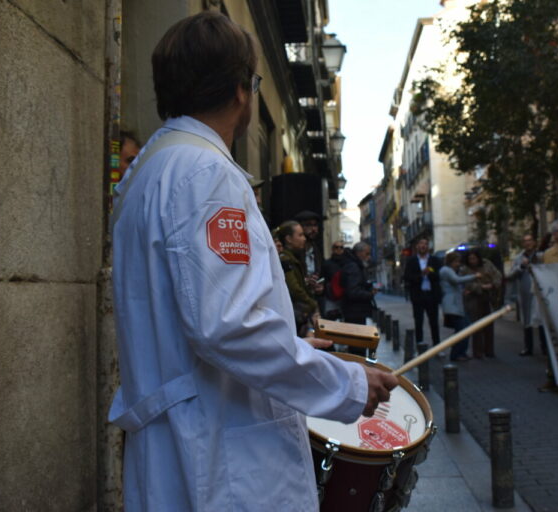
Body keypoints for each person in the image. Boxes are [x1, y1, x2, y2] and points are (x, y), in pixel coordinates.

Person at [108, 12, 397, 511]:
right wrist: (347, 381)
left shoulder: (149, 172)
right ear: (243, 90)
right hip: (219, 461)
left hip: (184, 449)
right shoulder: (206, 175)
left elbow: (197, 320)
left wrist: (292, 346)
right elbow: (228, 326)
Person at [277, 220, 319, 335]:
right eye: (300, 235)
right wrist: (312, 303)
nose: (304, 239)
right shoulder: (286, 259)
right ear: (289, 239)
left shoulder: (292, 258)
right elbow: (294, 289)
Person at [506, 234, 544, 356]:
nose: (527, 243)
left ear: (534, 242)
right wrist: (521, 267)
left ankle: (545, 347)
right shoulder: (519, 258)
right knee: (527, 320)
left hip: (540, 291)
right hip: (525, 292)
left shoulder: (540, 256)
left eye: (530, 240)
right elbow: (510, 275)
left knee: (542, 320)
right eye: (525, 241)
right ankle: (528, 347)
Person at [403, 237, 443, 349]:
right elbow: (407, 277)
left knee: (434, 323)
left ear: (428, 246)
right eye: (421, 243)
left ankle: (437, 346)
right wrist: (421, 275)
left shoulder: (435, 260)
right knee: (418, 322)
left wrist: (430, 272)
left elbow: (439, 275)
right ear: (417, 246)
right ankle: (419, 346)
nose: (423, 246)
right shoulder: (411, 261)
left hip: (431, 295)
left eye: (425, 243)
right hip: (418, 296)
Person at [461, 250, 502, 358]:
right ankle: (477, 352)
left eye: (474, 258)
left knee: (488, 324)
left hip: (488, 297)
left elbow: (497, 275)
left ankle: (489, 350)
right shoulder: (465, 269)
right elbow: (465, 283)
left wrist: (493, 285)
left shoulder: (487, 264)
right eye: (470, 259)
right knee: (476, 325)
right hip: (473, 298)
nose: (472, 261)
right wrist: (480, 287)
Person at [440, 251, 479, 361]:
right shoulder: (446, 270)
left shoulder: (450, 271)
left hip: (456, 305)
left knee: (464, 328)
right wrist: (474, 276)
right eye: (456, 261)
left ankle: (461, 352)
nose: (458, 264)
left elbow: (453, 286)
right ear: (451, 261)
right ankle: (456, 354)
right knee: (462, 329)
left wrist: (462, 291)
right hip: (452, 306)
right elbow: (456, 281)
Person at [340, 242, 377, 351]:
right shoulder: (353, 267)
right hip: (355, 312)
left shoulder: (354, 265)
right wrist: (370, 294)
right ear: (359, 253)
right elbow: (353, 291)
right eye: (367, 254)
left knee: (358, 345)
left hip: (355, 311)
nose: (368, 257)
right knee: (357, 347)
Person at [321, 240, 347, 320]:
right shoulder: (327, 263)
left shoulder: (348, 263)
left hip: (345, 298)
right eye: (336, 247)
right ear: (332, 249)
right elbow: (322, 278)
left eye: (341, 247)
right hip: (331, 297)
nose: (339, 249)